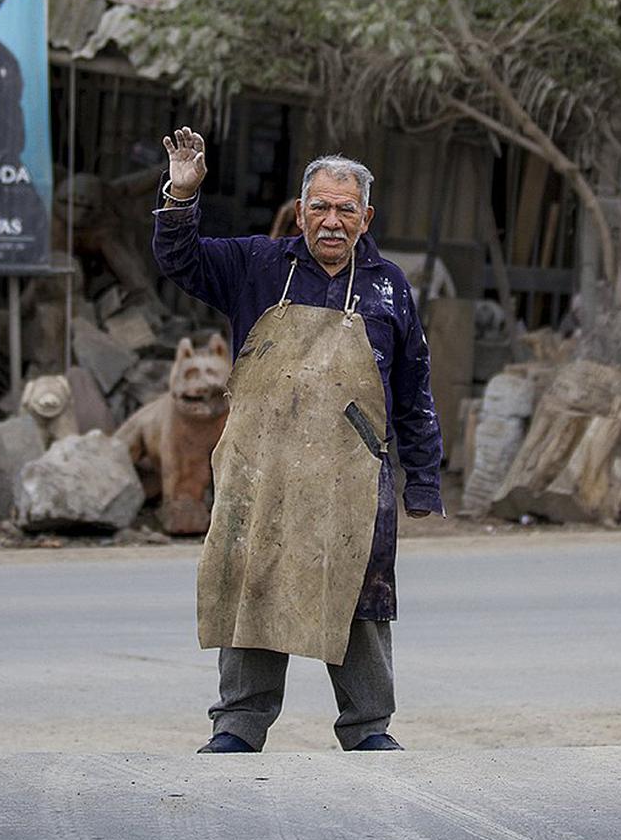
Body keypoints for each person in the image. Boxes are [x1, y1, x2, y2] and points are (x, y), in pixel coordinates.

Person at [153, 126, 444, 753]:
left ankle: (368, 729)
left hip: (352, 474)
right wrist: (181, 197)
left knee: (361, 600)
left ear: (366, 217)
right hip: (263, 469)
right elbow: (181, 260)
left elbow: (415, 388)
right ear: (301, 208)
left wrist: (422, 479)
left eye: (344, 209)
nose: (330, 221)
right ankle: (238, 725)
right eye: (319, 206)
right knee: (249, 586)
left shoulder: (390, 286)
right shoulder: (257, 264)